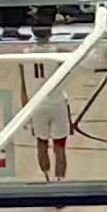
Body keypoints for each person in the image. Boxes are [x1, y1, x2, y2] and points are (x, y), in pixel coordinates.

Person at [19, 24, 69, 180]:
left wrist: (24, 109)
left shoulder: (24, 55)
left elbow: (23, 86)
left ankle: (47, 180)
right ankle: (60, 182)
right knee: (59, 147)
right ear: (50, 34)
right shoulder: (58, 52)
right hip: (57, 104)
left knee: (41, 145)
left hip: (37, 105)